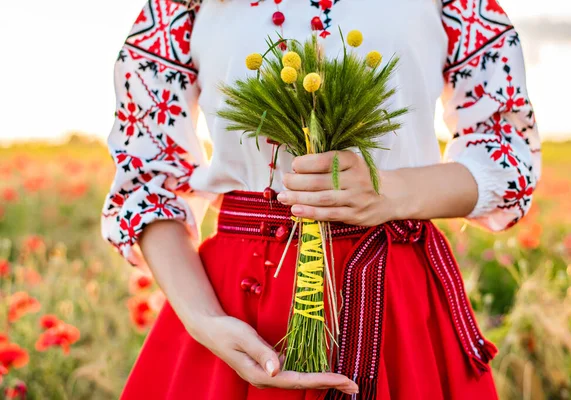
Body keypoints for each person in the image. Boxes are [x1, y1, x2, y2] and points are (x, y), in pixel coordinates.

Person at [101, 0, 541, 398]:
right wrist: (203, 320)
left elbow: (507, 150)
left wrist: (393, 191)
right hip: (238, 304)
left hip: (397, 302)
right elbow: (146, 177)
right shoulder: (180, 5)